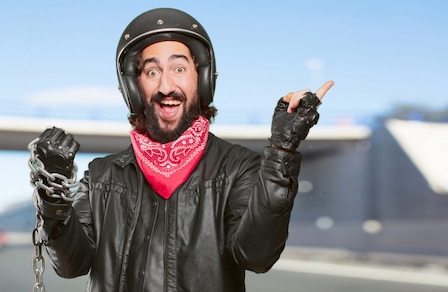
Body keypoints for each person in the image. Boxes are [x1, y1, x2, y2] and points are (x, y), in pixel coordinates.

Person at [29, 7, 334, 292]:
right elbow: (72, 265)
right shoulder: (100, 175)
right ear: (133, 89)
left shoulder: (238, 166)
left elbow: (257, 256)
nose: (165, 86)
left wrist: (281, 152)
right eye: (151, 72)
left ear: (201, 79)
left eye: (179, 68)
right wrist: (52, 200)